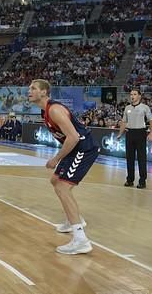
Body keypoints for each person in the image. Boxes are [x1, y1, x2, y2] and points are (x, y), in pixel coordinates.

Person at [28, 79, 99, 255]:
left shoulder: (54, 110)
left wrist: (56, 159)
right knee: (55, 180)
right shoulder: (45, 111)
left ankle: (81, 240)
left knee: (63, 188)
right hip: (74, 149)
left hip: (84, 149)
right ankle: (74, 219)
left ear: (44, 92)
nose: (29, 91)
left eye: (33, 88)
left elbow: (73, 137)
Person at [117, 89, 152, 189]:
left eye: (134, 94)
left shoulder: (144, 107)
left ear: (139, 96)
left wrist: (151, 133)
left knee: (141, 158)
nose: (132, 96)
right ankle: (130, 180)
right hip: (129, 133)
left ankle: (142, 181)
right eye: (131, 94)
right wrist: (120, 134)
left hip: (140, 133)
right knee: (129, 158)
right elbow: (124, 122)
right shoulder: (127, 108)